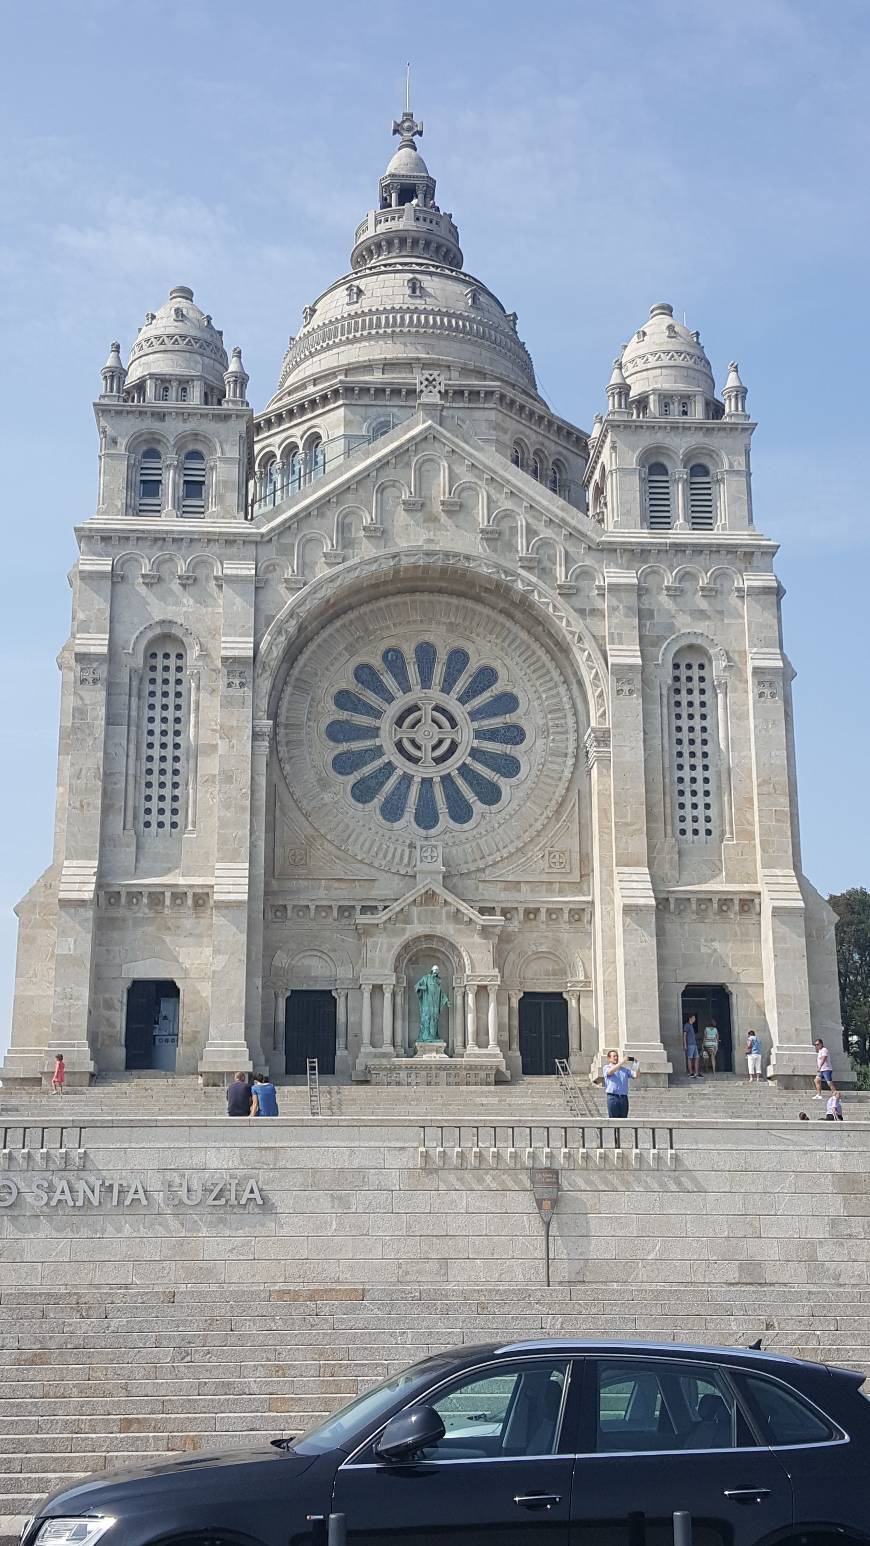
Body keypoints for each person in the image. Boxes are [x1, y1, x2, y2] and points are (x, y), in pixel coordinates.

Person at [603, 1049, 638, 1119]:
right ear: (609, 1058)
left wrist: (636, 1063)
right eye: (614, 1056)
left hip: (623, 1098)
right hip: (613, 1097)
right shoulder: (606, 1067)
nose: (616, 1058)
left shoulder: (624, 1070)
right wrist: (622, 1062)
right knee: (613, 1121)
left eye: (617, 1056)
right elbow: (610, 1072)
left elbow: (635, 1075)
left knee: (624, 1121)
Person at [683, 1013, 700, 1077]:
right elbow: (684, 1035)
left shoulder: (691, 1026)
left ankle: (696, 1072)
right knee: (689, 1058)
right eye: (693, 1018)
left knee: (697, 1057)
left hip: (694, 1044)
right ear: (690, 1018)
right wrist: (685, 1044)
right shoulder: (687, 1025)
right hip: (690, 1044)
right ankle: (691, 1073)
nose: (695, 1019)